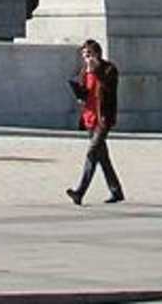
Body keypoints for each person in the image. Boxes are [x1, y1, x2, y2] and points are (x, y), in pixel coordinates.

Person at [65, 40, 124, 205]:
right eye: (84, 55)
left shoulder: (109, 69)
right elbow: (85, 93)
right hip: (89, 118)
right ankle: (116, 191)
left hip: (103, 119)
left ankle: (80, 192)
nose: (86, 59)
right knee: (102, 157)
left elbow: (109, 89)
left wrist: (96, 70)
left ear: (97, 54)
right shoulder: (84, 71)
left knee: (92, 153)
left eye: (89, 54)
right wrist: (79, 93)